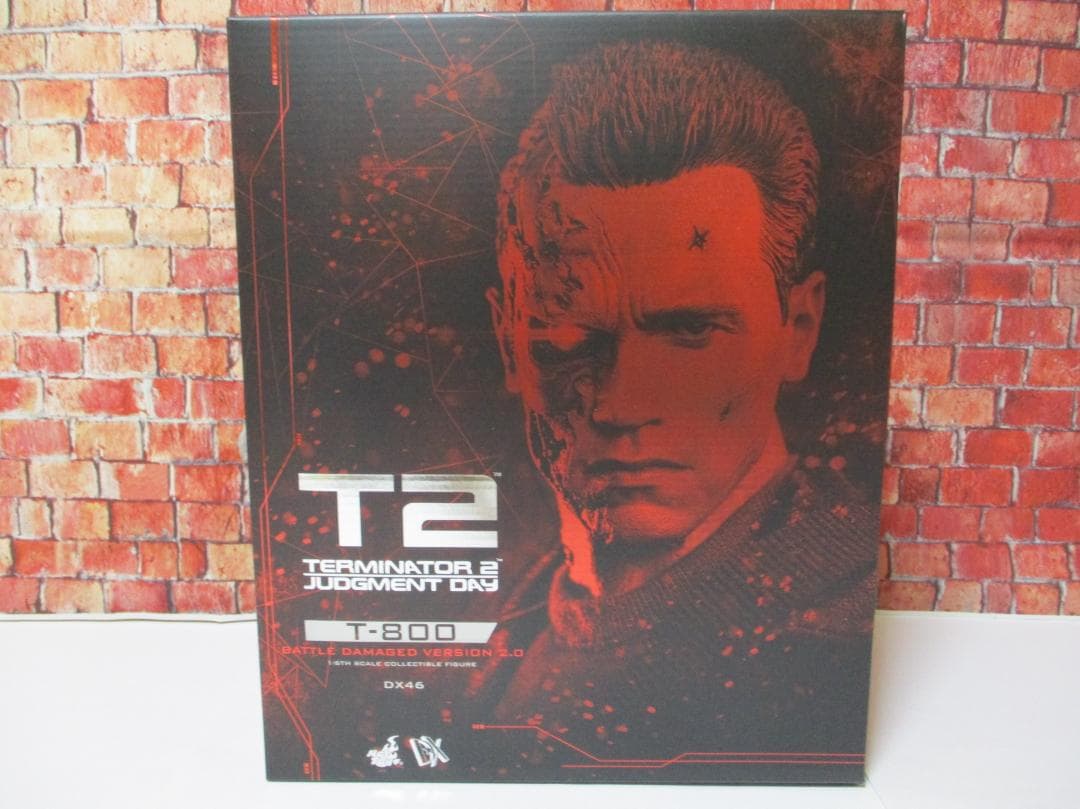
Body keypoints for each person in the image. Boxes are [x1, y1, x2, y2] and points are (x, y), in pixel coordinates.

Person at [471, 41, 878, 769]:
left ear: (798, 328)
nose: (622, 402)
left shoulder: (833, 643)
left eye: (693, 331)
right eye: (566, 340)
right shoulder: (513, 616)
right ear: (509, 344)